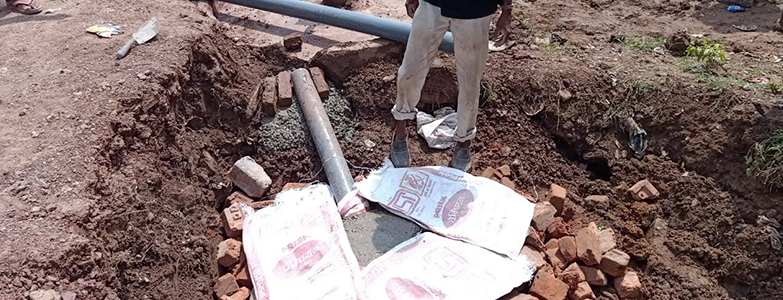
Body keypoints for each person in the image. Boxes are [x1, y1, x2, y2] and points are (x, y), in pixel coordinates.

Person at [390, 0, 512, 172]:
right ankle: (400, 131)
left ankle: (463, 142)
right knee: (410, 69)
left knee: (470, 82)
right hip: (432, 4)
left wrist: (507, 10)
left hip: (476, 10)